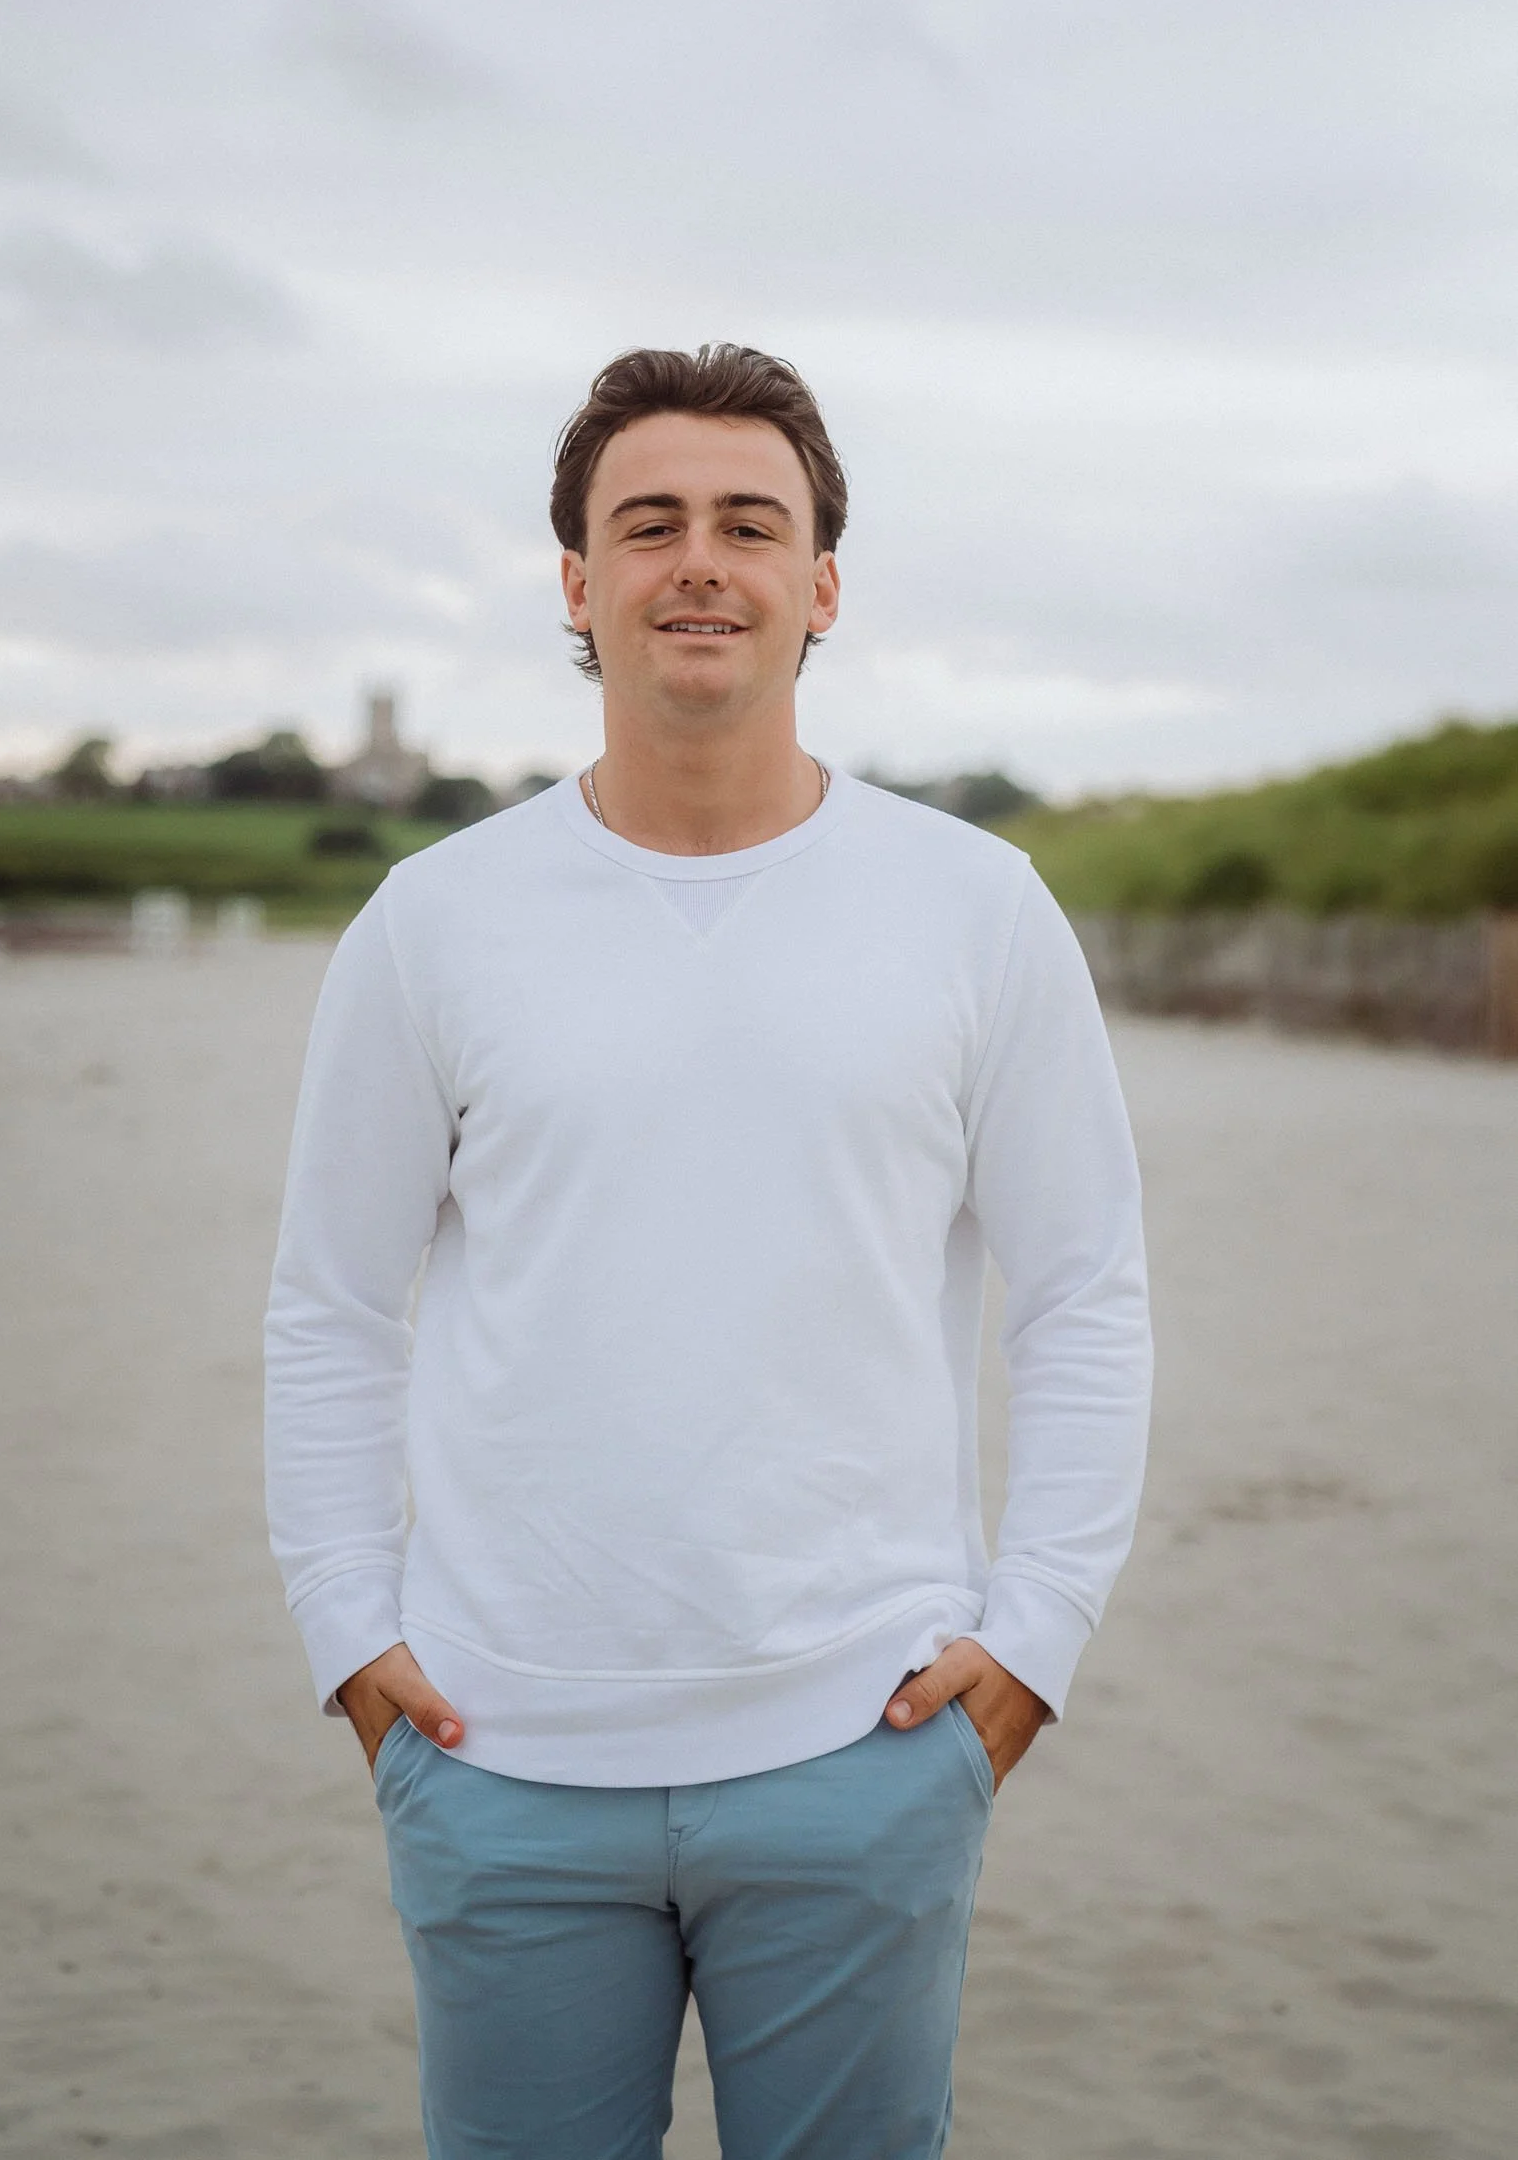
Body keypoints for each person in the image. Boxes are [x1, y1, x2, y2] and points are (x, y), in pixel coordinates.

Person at [264, 342, 1152, 2160]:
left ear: (820, 582)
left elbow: (1083, 1296)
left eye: (751, 524)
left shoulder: (974, 909)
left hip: (864, 1743)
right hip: (497, 1753)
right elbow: (332, 1308)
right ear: (574, 582)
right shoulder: (434, 922)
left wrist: (1036, 1635)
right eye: (644, 521)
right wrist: (348, 1631)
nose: (698, 560)